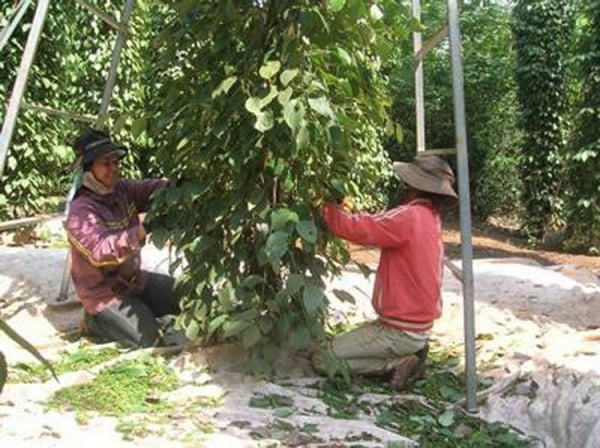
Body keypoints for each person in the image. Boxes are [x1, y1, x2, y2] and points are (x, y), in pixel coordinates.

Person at [313, 155, 458, 388]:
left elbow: (360, 228)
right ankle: (410, 351)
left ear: (411, 187)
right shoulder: (429, 217)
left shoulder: (408, 217)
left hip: (399, 330)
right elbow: (377, 223)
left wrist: (325, 208)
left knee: (324, 358)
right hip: (417, 327)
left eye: (405, 183)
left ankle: (395, 363)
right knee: (346, 348)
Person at [66, 128, 180, 348]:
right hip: (103, 294)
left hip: (135, 281)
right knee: (149, 339)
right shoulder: (81, 211)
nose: (113, 169)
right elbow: (100, 251)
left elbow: (152, 189)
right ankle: (95, 322)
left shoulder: (121, 190)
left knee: (186, 295)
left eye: (116, 162)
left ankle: (141, 308)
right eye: (105, 164)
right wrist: (142, 230)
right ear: (89, 168)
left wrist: (180, 184)